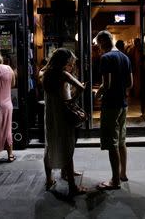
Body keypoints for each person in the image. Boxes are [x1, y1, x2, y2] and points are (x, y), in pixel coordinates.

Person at [41, 48, 87, 197]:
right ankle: (72, 186)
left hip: (50, 114)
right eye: (70, 63)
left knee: (50, 144)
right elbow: (80, 88)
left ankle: (49, 180)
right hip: (63, 113)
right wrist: (71, 100)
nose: (71, 66)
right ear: (64, 62)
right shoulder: (63, 74)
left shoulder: (45, 73)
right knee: (67, 145)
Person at [95, 30, 133, 190]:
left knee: (112, 143)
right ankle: (123, 173)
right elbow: (130, 83)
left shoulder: (106, 58)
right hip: (123, 104)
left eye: (98, 45)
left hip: (110, 104)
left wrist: (98, 93)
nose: (98, 48)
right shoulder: (125, 57)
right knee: (122, 141)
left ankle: (115, 180)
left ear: (103, 42)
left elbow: (107, 84)